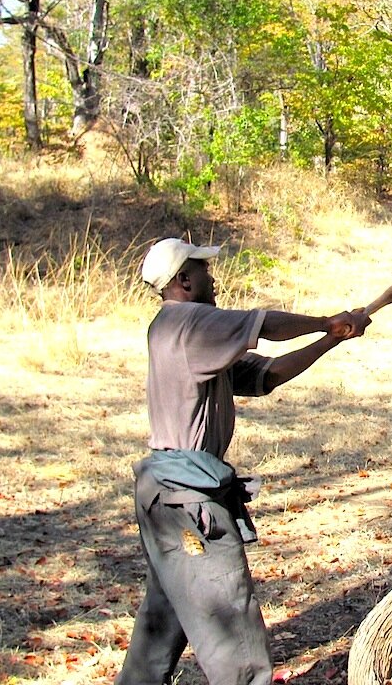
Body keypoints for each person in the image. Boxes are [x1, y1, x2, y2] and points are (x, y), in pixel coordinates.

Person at [116, 238, 371, 685]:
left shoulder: (183, 333)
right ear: (184, 281)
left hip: (167, 495)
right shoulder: (188, 322)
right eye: (205, 272)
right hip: (186, 500)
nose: (213, 280)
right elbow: (266, 324)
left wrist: (331, 339)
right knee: (232, 620)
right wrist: (327, 320)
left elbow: (265, 375)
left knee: (165, 616)